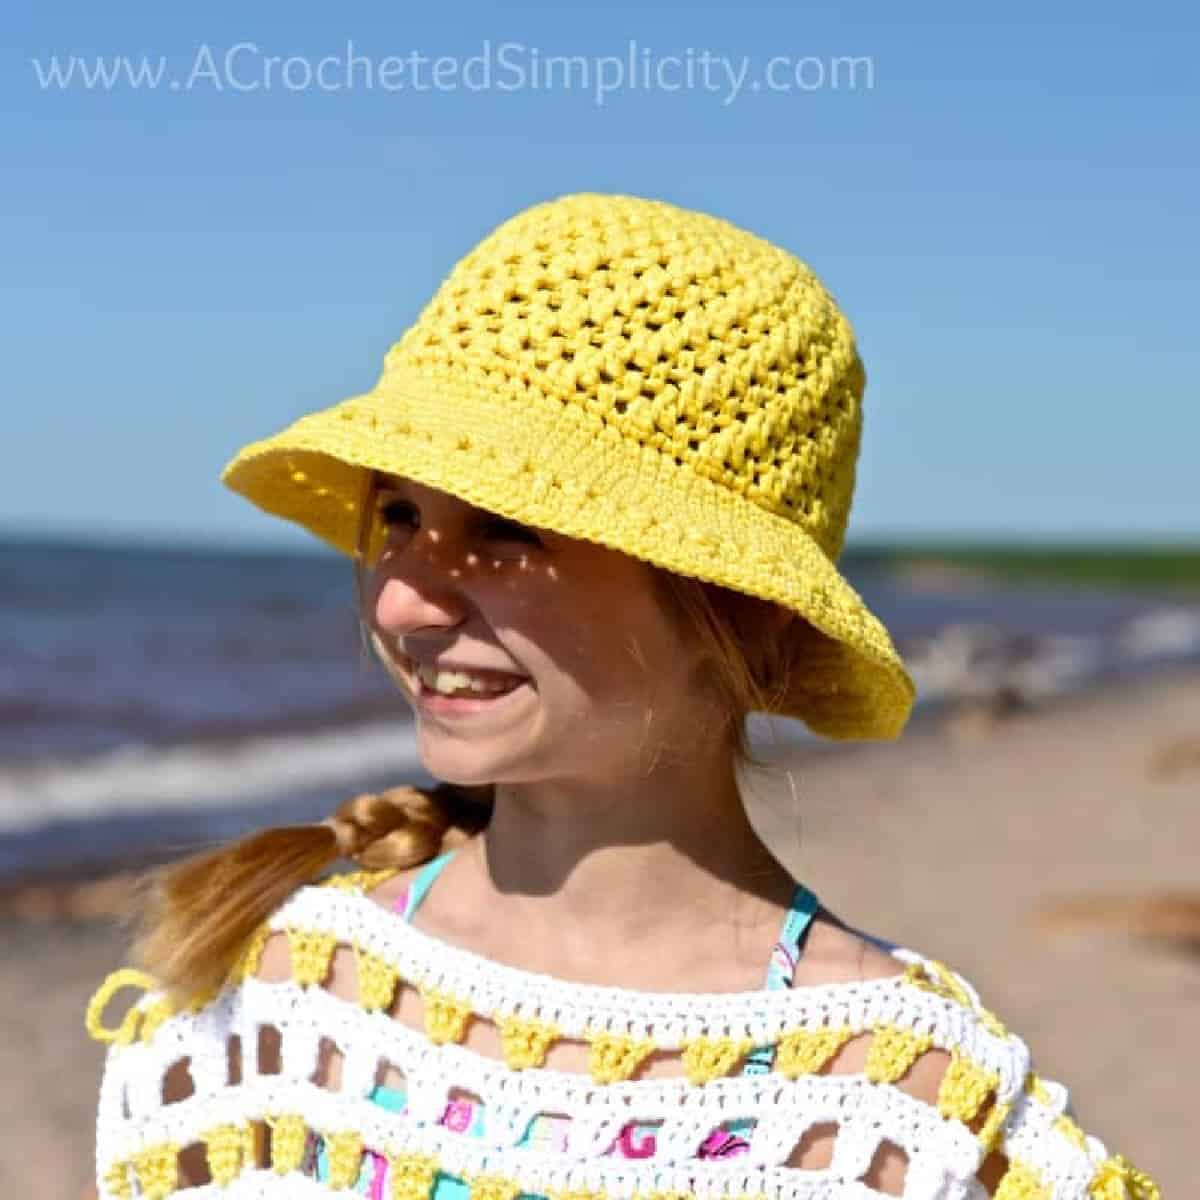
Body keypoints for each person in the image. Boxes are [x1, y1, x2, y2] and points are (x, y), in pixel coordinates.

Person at [83, 192, 1159, 1200]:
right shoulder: (271, 1012)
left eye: (509, 530)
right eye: (400, 518)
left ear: (738, 607)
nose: (404, 601)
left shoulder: (897, 1102)